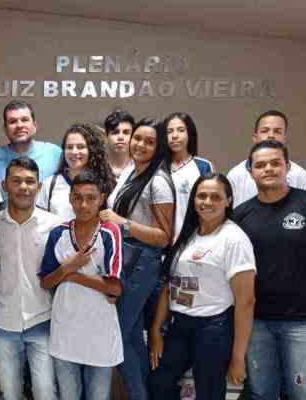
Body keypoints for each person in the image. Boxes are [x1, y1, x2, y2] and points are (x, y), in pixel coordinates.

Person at [233, 140, 306, 400]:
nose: (268, 169)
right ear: (251, 171)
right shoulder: (240, 215)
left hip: (305, 323)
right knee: (261, 393)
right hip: (256, 324)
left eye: (275, 163)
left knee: (304, 395)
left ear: (288, 166)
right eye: (260, 165)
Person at [147, 173, 256, 400]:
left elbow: (246, 302)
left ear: (228, 201)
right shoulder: (188, 235)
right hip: (180, 325)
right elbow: (169, 285)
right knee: (159, 381)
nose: (206, 202)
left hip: (213, 327)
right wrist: (156, 330)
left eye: (215, 197)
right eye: (201, 196)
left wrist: (238, 358)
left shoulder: (234, 238)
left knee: (209, 392)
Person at [99, 117, 175, 400]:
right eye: (138, 138)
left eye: (150, 141)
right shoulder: (133, 171)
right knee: (129, 337)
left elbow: (164, 236)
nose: (141, 144)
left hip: (142, 262)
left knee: (116, 334)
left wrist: (123, 223)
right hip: (126, 258)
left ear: (159, 148)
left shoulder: (159, 181)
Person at [39, 170, 123, 400]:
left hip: (100, 330)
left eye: (90, 198)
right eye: (77, 197)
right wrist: (69, 267)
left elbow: (115, 288)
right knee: (68, 395)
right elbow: (46, 282)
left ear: (101, 198)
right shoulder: (59, 233)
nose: (83, 204)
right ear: (70, 198)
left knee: (98, 395)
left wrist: (71, 274)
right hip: (65, 330)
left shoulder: (109, 231)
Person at [0, 157, 62, 400]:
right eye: (16, 181)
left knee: (46, 393)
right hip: (4, 322)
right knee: (10, 394)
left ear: (39, 187)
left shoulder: (54, 225)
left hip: (42, 320)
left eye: (30, 181)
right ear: (4, 185)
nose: (23, 187)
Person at [227, 110, 306, 207]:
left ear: (284, 138)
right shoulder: (236, 175)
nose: (271, 135)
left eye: (277, 131)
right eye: (265, 131)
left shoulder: (299, 174)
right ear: (255, 137)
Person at [36, 123, 114, 221]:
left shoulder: (104, 183)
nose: (74, 151)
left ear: (91, 150)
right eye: (69, 147)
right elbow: (41, 221)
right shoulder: (50, 184)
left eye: (80, 147)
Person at [164, 112, 214, 240]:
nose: (174, 136)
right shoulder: (157, 168)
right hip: (160, 244)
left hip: (193, 240)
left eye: (181, 130)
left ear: (189, 134)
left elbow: (210, 206)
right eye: (169, 131)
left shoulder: (203, 166)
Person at [0, 100, 62, 184]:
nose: (19, 125)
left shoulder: (54, 153)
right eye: (13, 121)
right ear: (5, 129)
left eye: (25, 120)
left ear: (34, 126)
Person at [104, 110, 136, 179]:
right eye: (115, 132)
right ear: (106, 137)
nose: (120, 137)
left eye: (126, 132)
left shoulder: (141, 168)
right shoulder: (97, 168)